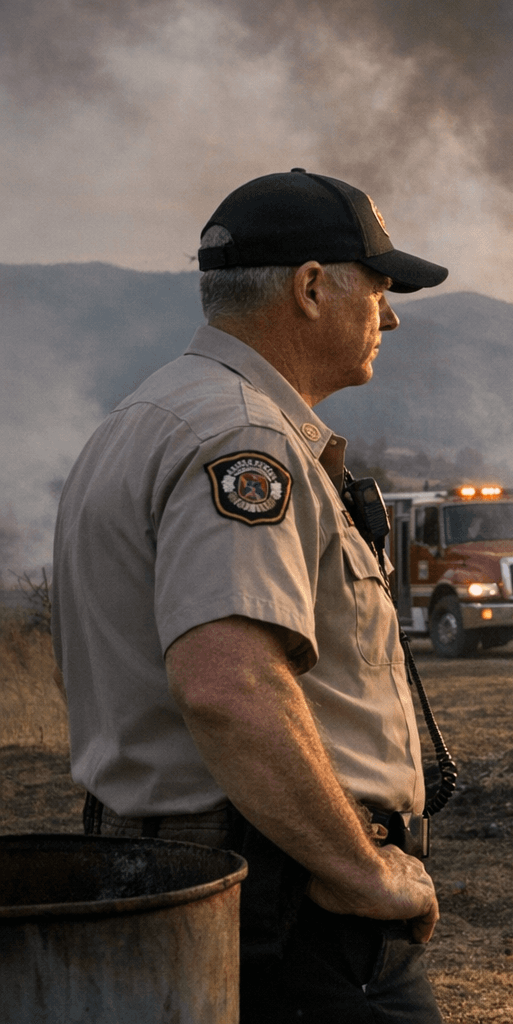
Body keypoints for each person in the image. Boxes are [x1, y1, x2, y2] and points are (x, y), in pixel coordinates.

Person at [52, 170, 450, 1021]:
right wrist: (364, 872)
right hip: (288, 910)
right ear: (311, 288)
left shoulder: (145, 417)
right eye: (379, 286)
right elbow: (230, 685)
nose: (391, 315)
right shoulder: (244, 440)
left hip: (184, 884)